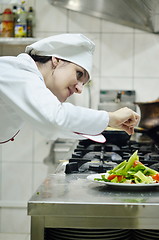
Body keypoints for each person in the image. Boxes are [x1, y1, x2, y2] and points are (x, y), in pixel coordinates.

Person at [0, 33, 140, 144]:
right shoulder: (19, 71)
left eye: (83, 83)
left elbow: (55, 123)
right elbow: (54, 119)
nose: (79, 89)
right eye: (79, 74)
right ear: (56, 60)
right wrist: (109, 118)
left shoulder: (27, 77)